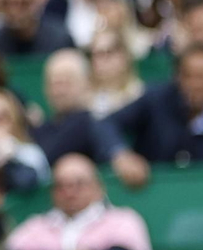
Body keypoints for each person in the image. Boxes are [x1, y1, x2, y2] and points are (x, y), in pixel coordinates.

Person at [106, 43, 203, 163]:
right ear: (177, 77)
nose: (198, 84)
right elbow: (107, 124)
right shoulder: (155, 101)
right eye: (189, 75)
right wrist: (121, 154)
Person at [1, 154, 153, 250]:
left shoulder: (123, 220)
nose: (69, 192)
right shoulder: (35, 226)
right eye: (61, 185)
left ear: (98, 187)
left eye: (78, 184)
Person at [30, 50, 149, 188]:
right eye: (54, 83)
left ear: (87, 83)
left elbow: (45, 159)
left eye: (65, 83)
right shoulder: (42, 129)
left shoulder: (91, 123)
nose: (58, 91)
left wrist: (121, 156)